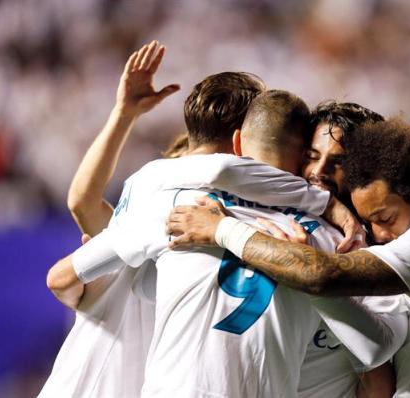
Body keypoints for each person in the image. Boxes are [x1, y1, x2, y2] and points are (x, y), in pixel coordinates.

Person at [165, 117, 410, 396]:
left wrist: (221, 229)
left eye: (386, 218)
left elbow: (322, 277)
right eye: (371, 222)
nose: (381, 234)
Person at [39, 41, 267, 397]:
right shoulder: (171, 214)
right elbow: (64, 263)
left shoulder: (143, 207)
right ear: (242, 141)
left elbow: (82, 204)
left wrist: (124, 113)